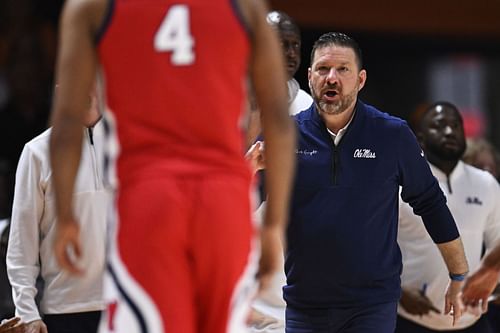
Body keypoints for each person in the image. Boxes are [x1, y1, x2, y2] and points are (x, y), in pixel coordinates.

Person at [49, 1, 296, 333]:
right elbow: (279, 120)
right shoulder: (246, 7)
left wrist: (65, 217)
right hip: (225, 200)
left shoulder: (90, 7)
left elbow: (66, 122)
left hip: (149, 197)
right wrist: (273, 226)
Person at [249, 32, 469, 333]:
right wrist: (246, 172)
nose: (332, 77)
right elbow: (241, 207)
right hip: (303, 305)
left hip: (371, 306)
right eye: (323, 69)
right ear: (310, 76)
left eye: (343, 69)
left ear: (360, 79)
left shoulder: (392, 135)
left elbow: (430, 202)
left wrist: (458, 275)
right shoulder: (283, 134)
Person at [6, 92, 108, 333]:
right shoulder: (36, 152)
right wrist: (26, 312)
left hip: (123, 304)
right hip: (63, 312)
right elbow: (22, 244)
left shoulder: (130, 145)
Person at [396, 102, 500, 332]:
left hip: (473, 320)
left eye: (456, 125)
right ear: (419, 139)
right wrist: (397, 292)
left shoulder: (486, 184)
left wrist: (492, 278)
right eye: (439, 126)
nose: (450, 131)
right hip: (410, 319)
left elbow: (497, 244)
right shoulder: (399, 186)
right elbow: (373, 249)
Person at [248, 11, 312, 333]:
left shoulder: (310, 111)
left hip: (285, 249)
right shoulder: (226, 101)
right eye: (280, 44)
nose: (289, 53)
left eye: (294, 45)